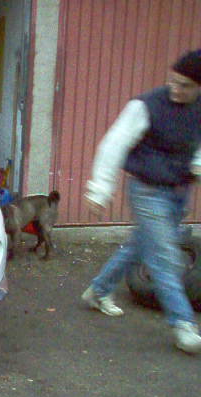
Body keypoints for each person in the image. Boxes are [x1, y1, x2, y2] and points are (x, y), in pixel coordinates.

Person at [81, 49, 201, 354]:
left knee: (141, 245)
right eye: (174, 81)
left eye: (186, 85)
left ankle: (98, 290)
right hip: (147, 190)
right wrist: (99, 190)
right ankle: (183, 324)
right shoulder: (146, 105)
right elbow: (114, 144)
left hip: (178, 193)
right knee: (163, 256)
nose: (176, 89)